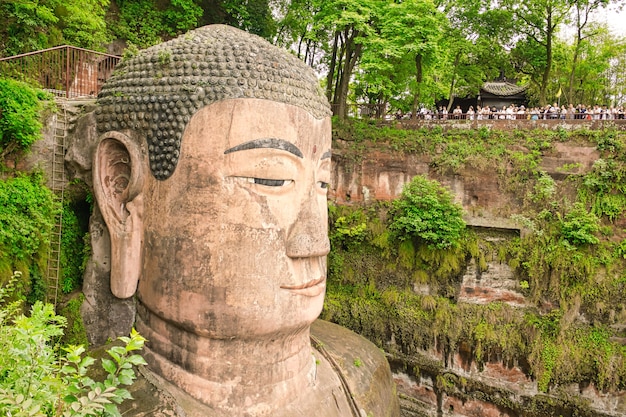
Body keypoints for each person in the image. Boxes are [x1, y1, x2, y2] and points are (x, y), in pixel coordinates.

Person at [91, 25, 399, 417]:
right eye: (270, 178)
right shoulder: (86, 402)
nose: (316, 242)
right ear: (121, 194)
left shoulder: (364, 375)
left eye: (322, 182)